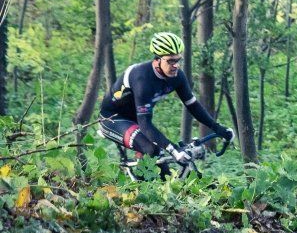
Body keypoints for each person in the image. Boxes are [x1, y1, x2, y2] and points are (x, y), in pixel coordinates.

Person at [99, 32, 234, 165]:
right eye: (171, 61)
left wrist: (218, 128)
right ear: (157, 60)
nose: (176, 65)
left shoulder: (177, 77)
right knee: (152, 150)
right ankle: (140, 180)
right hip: (112, 119)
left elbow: (193, 106)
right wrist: (173, 149)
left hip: (137, 119)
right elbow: (145, 123)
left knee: (161, 160)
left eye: (178, 60)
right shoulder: (142, 79)